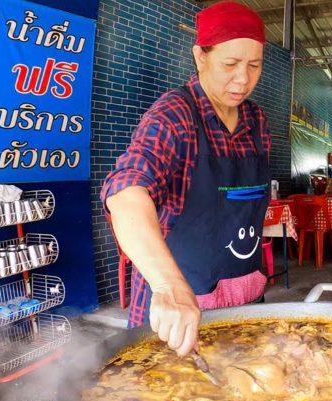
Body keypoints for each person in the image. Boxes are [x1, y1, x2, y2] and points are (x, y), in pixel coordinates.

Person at [100, 1, 271, 357]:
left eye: (254, 66)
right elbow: (124, 193)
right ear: (200, 56)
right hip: (175, 316)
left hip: (246, 300)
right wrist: (168, 285)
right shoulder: (174, 115)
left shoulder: (256, 120)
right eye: (230, 64)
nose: (242, 79)